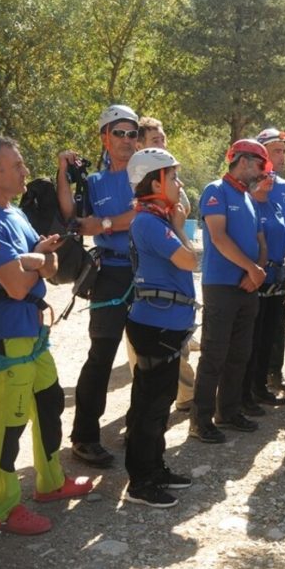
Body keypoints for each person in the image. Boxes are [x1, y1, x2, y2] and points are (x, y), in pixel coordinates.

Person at [0, 136, 93, 536]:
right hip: (4, 331)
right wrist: (34, 264)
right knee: (8, 422)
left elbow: (48, 266)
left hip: (33, 331)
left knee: (48, 402)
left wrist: (36, 259)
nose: (24, 171)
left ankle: (50, 482)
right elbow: (16, 287)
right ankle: (2, 507)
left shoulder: (14, 214)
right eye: (15, 165)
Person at [56, 104, 140, 468]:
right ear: (104, 138)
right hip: (110, 275)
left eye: (131, 133)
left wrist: (104, 224)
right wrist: (62, 173)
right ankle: (86, 437)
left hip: (147, 272)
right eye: (118, 133)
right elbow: (71, 216)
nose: (126, 140)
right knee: (101, 356)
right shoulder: (93, 183)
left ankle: (141, 427)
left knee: (151, 355)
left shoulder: (148, 173)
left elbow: (145, 211)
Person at [122, 148, 196, 507]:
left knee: (159, 402)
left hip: (163, 325)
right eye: (174, 177)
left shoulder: (157, 219)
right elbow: (189, 259)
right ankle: (141, 481)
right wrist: (182, 228)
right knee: (150, 406)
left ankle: (154, 467)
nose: (179, 185)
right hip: (156, 327)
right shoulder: (150, 222)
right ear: (156, 181)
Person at [191, 139, 269, 443]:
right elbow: (219, 237)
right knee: (214, 353)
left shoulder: (249, 198)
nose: (262, 174)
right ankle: (200, 419)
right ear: (245, 161)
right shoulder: (216, 191)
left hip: (247, 286)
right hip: (221, 285)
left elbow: (259, 241)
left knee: (240, 353)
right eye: (260, 166)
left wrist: (256, 272)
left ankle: (229, 410)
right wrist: (251, 269)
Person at [241, 170, 285, 414]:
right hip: (257, 280)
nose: (270, 177)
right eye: (264, 174)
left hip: (277, 279)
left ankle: (260, 387)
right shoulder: (248, 206)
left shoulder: (275, 206)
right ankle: (246, 392)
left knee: (268, 337)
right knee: (252, 337)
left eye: (272, 174)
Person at [255, 128, 285, 394]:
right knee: (255, 326)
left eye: (283, 150)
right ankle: (253, 381)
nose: (282, 155)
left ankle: (274, 372)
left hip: (281, 268)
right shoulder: (246, 186)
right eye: (277, 150)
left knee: (278, 323)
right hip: (255, 269)